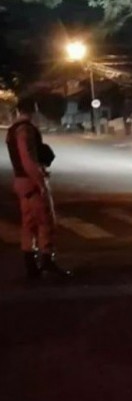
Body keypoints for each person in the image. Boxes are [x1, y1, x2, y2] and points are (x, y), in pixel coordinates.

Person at [5, 98, 72, 280]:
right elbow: (27, 159)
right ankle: (47, 260)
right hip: (30, 182)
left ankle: (31, 265)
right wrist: (40, 182)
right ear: (33, 109)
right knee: (45, 222)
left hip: (21, 181)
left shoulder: (12, 130)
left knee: (29, 224)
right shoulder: (25, 130)